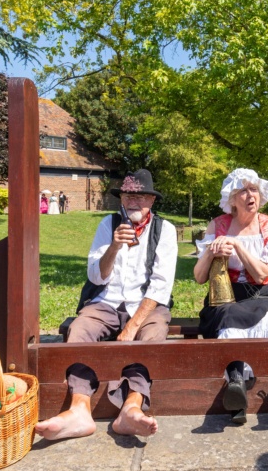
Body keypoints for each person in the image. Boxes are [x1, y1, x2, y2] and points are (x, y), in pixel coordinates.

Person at [35, 169, 177, 441]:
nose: (133, 202)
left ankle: (131, 408)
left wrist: (132, 327)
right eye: (127, 196)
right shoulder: (107, 225)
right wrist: (113, 246)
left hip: (146, 306)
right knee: (81, 328)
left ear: (152, 201)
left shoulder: (165, 230)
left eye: (141, 196)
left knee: (152, 336)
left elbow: (161, 285)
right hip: (106, 302)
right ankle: (79, 410)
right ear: (121, 198)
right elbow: (95, 276)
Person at [193, 168, 268, 425]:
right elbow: (200, 277)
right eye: (243, 190)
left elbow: (260, 274)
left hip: (261, 293)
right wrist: (211, 253)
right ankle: (235, 383)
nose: (250, 195)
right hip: (226, 296)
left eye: (254, 189)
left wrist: (237, 245)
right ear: (232, 198)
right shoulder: (218, 224)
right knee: (227, 316)